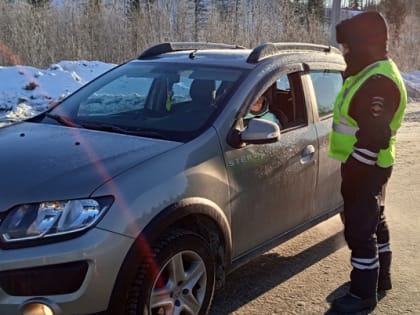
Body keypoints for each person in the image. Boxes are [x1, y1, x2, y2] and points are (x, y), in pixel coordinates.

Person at [328, 11, 407, 313]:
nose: (346, 52)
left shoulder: (377, 82)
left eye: (349, 46)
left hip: (366, 166)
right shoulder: (372, 71)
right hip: (372, 165)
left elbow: (373, 137)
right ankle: (380, 277)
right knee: (375, 220)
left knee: (359, 229)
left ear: (363, 44)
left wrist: (354, 176)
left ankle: (363, 294)